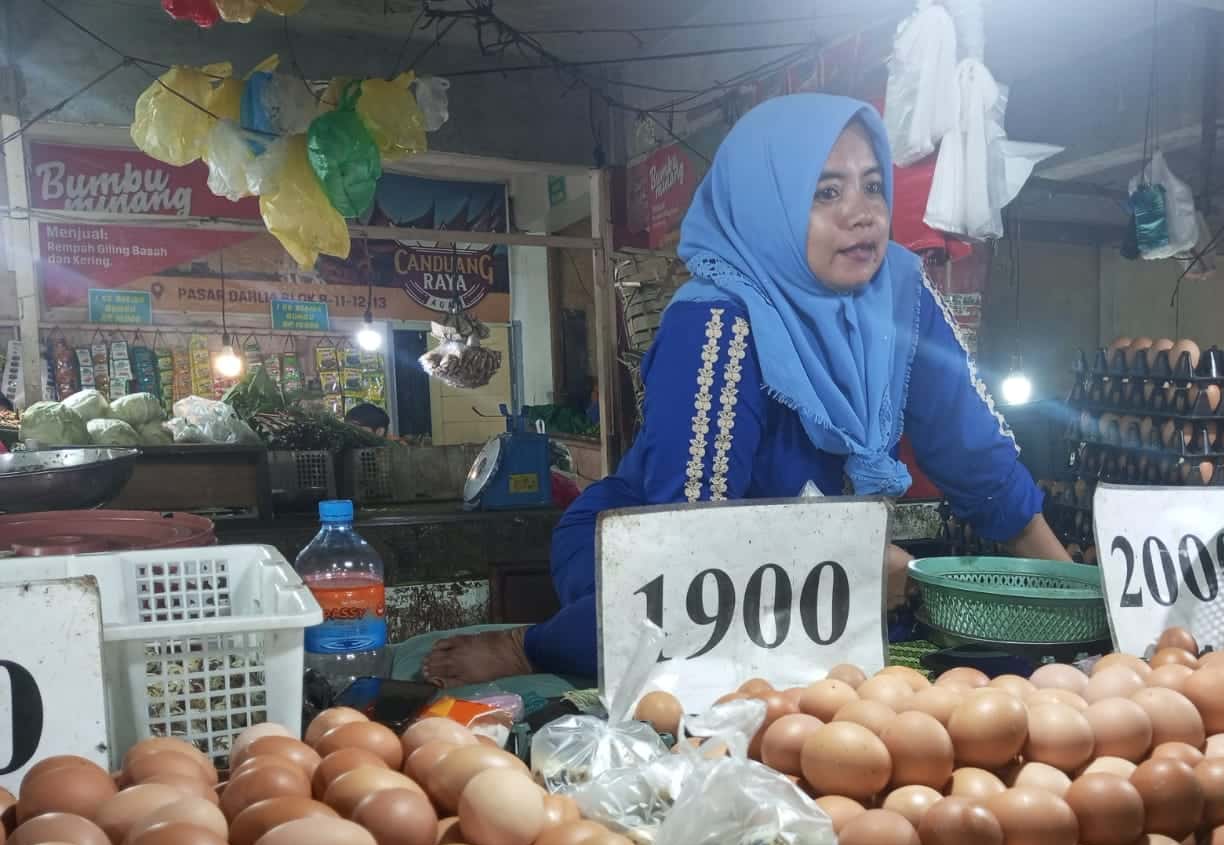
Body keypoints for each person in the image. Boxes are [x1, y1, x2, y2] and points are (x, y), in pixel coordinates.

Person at [424, 93, 1071, 687]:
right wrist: (843, 566)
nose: (863, 212)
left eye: (873, 186)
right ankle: (527, 645)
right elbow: (686, 550)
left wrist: (1077, 605)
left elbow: (974, 453)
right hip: (640, 550)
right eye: (826, 191)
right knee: (676, 663)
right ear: (769, 205)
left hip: (810, 573)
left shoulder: (900, 296)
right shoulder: (717, 324)